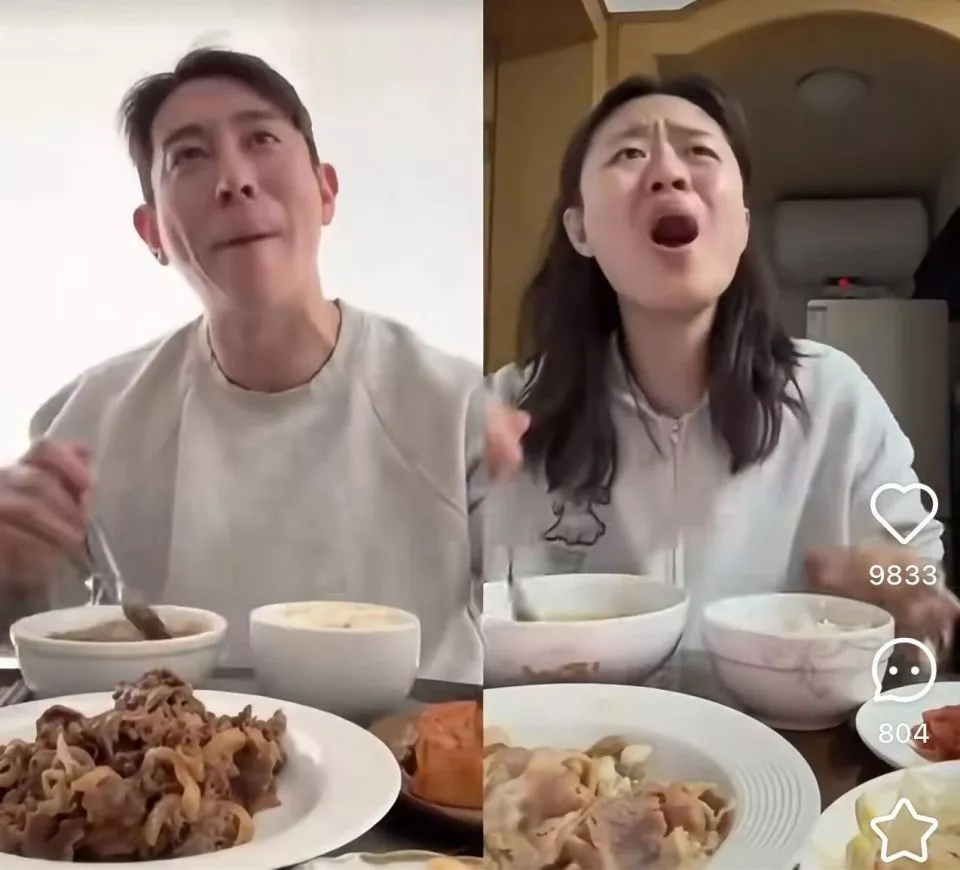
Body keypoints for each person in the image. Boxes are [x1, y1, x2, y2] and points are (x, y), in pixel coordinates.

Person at [0, 48, 489, 683]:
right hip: (160, 739)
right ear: (153, 232)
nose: (233, 181)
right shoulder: (88, 420)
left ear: (326, 190)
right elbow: (32, 632)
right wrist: (11, 563)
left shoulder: (459, 409)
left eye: (261, 139)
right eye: (188, 156)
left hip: (418, 742)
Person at [484, 74, 959, 657]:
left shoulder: (836, 398)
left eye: (699, 151)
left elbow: (920, 583)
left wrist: (904, 594)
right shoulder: (507, 410)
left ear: (742, 225)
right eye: (630, 153)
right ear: (580, 229)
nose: (668, 172)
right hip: (572, 716)